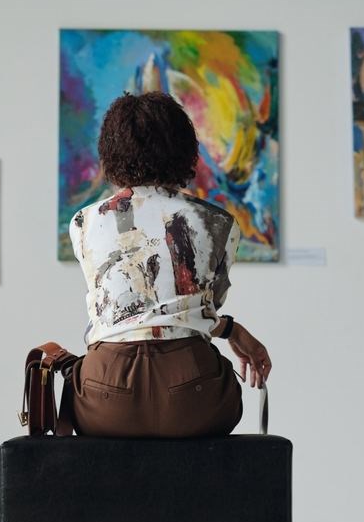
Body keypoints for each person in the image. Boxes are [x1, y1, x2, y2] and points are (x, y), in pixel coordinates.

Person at [68, 90, 272, 440]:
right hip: (193, 398)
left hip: (106, 398)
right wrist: (231, 330)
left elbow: (129, 313)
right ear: (184, 149)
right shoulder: (218, 223)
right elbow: (197, 312)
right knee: (217, 386)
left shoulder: (83, 222)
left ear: (110, 151)